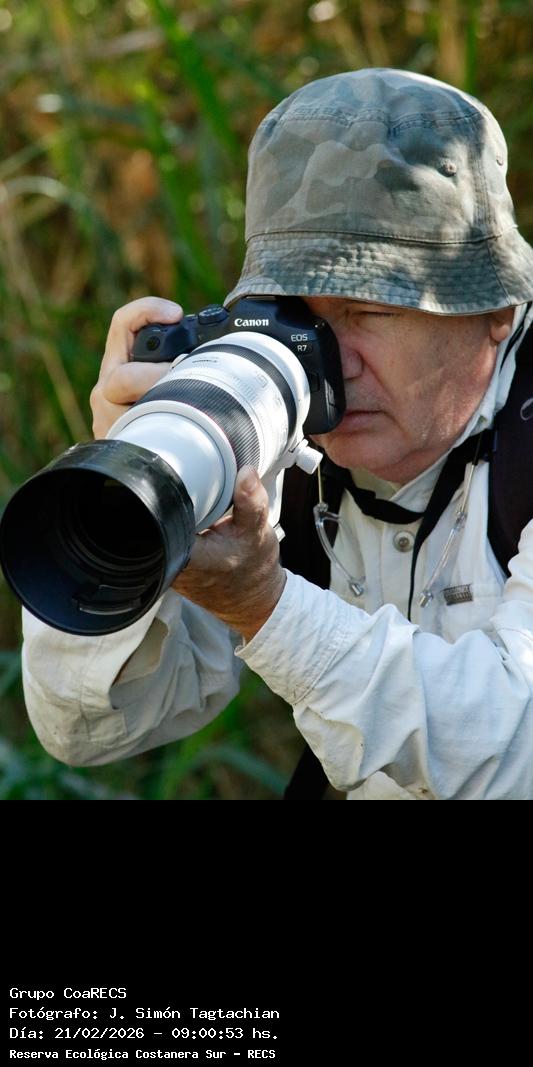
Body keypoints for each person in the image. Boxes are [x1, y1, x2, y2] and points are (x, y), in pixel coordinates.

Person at [20, 68, 533, 799]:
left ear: (494, 309)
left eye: (369, 311)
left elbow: (517, 751)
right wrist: (135, 480)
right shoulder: (272, 426)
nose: (327, 361)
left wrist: (264, 603)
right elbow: (90, 728)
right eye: (298, 316)